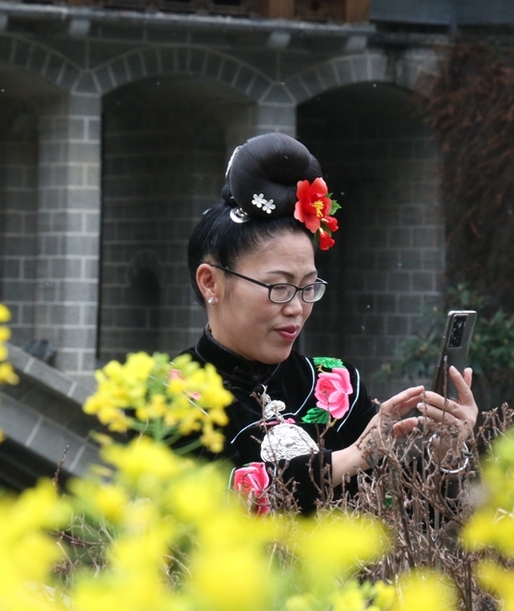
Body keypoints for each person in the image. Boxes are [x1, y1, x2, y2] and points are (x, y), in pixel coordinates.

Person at [184, 132, 478, 513]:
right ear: (211, 282)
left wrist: (444, 454)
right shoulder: (167, 396)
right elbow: (202, 511)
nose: (296, 308)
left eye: (308, 288)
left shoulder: (336, 385)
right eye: (278, 287)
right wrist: (349, 458)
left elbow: (398, 521)